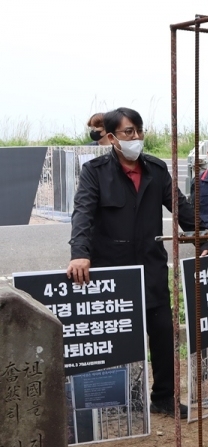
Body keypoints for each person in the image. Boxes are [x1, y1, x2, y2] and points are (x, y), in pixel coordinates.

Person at [67, 107, 196, 418]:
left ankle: (164, 397)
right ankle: (114, 401)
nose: (136, 137)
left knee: (163, 332)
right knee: (116, 337)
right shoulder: (95, 171)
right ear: (111, 138)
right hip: (113, 270)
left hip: (151, 267)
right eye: (128, 132)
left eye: (139, 130)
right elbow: (82, 214)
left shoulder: (155, 169)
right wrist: (79, 253)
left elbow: (182, 209)